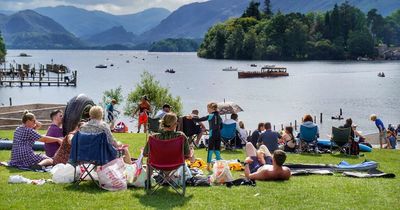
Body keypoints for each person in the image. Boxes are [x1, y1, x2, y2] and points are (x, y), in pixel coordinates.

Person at [190, 102, 223, 171]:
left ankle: (208, 166)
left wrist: (192, 118)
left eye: (208, 108)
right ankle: (221, 166)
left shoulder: (211, 115)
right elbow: (222, 126)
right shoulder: (219, 116)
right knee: (217, 150)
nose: (207, 110)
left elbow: (200, 119)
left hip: (212, 135)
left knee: (210, 150)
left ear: (212, 108)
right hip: (218, 135)